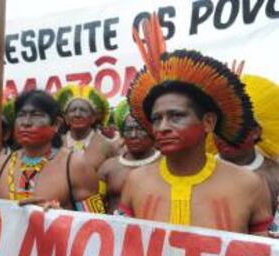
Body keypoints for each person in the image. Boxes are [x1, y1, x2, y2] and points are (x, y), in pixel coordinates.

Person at [118, 14, 272, 235]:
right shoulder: (136, 181)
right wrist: (53, 216)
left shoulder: (249, 185)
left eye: (176, 116)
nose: (162, 127)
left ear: (208, 122)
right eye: (156, 119)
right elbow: (115, 244)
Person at [0, 90, 105, 212]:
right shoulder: (0, 165)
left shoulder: (76, 166)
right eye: (21, 115)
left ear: (56, 124)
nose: (26, 122)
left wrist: (59, 216)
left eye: (36, 115)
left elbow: (96, 222)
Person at [213, 74, 279, 235]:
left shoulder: (275, 174)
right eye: (219, 127)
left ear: (256, 132)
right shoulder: (197, 170)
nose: (224, 135)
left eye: (235, 127)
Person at [98, 100, 160, 214]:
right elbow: (96, 204)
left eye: (140, 129)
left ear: (151, 131)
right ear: (122, 133)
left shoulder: (165, 164)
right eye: (128, 129)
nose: (133, 135)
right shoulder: (108, 167)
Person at [55, 84, 117, 170]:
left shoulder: (107, 146)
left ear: (93, 118)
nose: (77, 114)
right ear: (66, 118)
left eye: (83, 110)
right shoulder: (56, 145)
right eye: (73, 110)